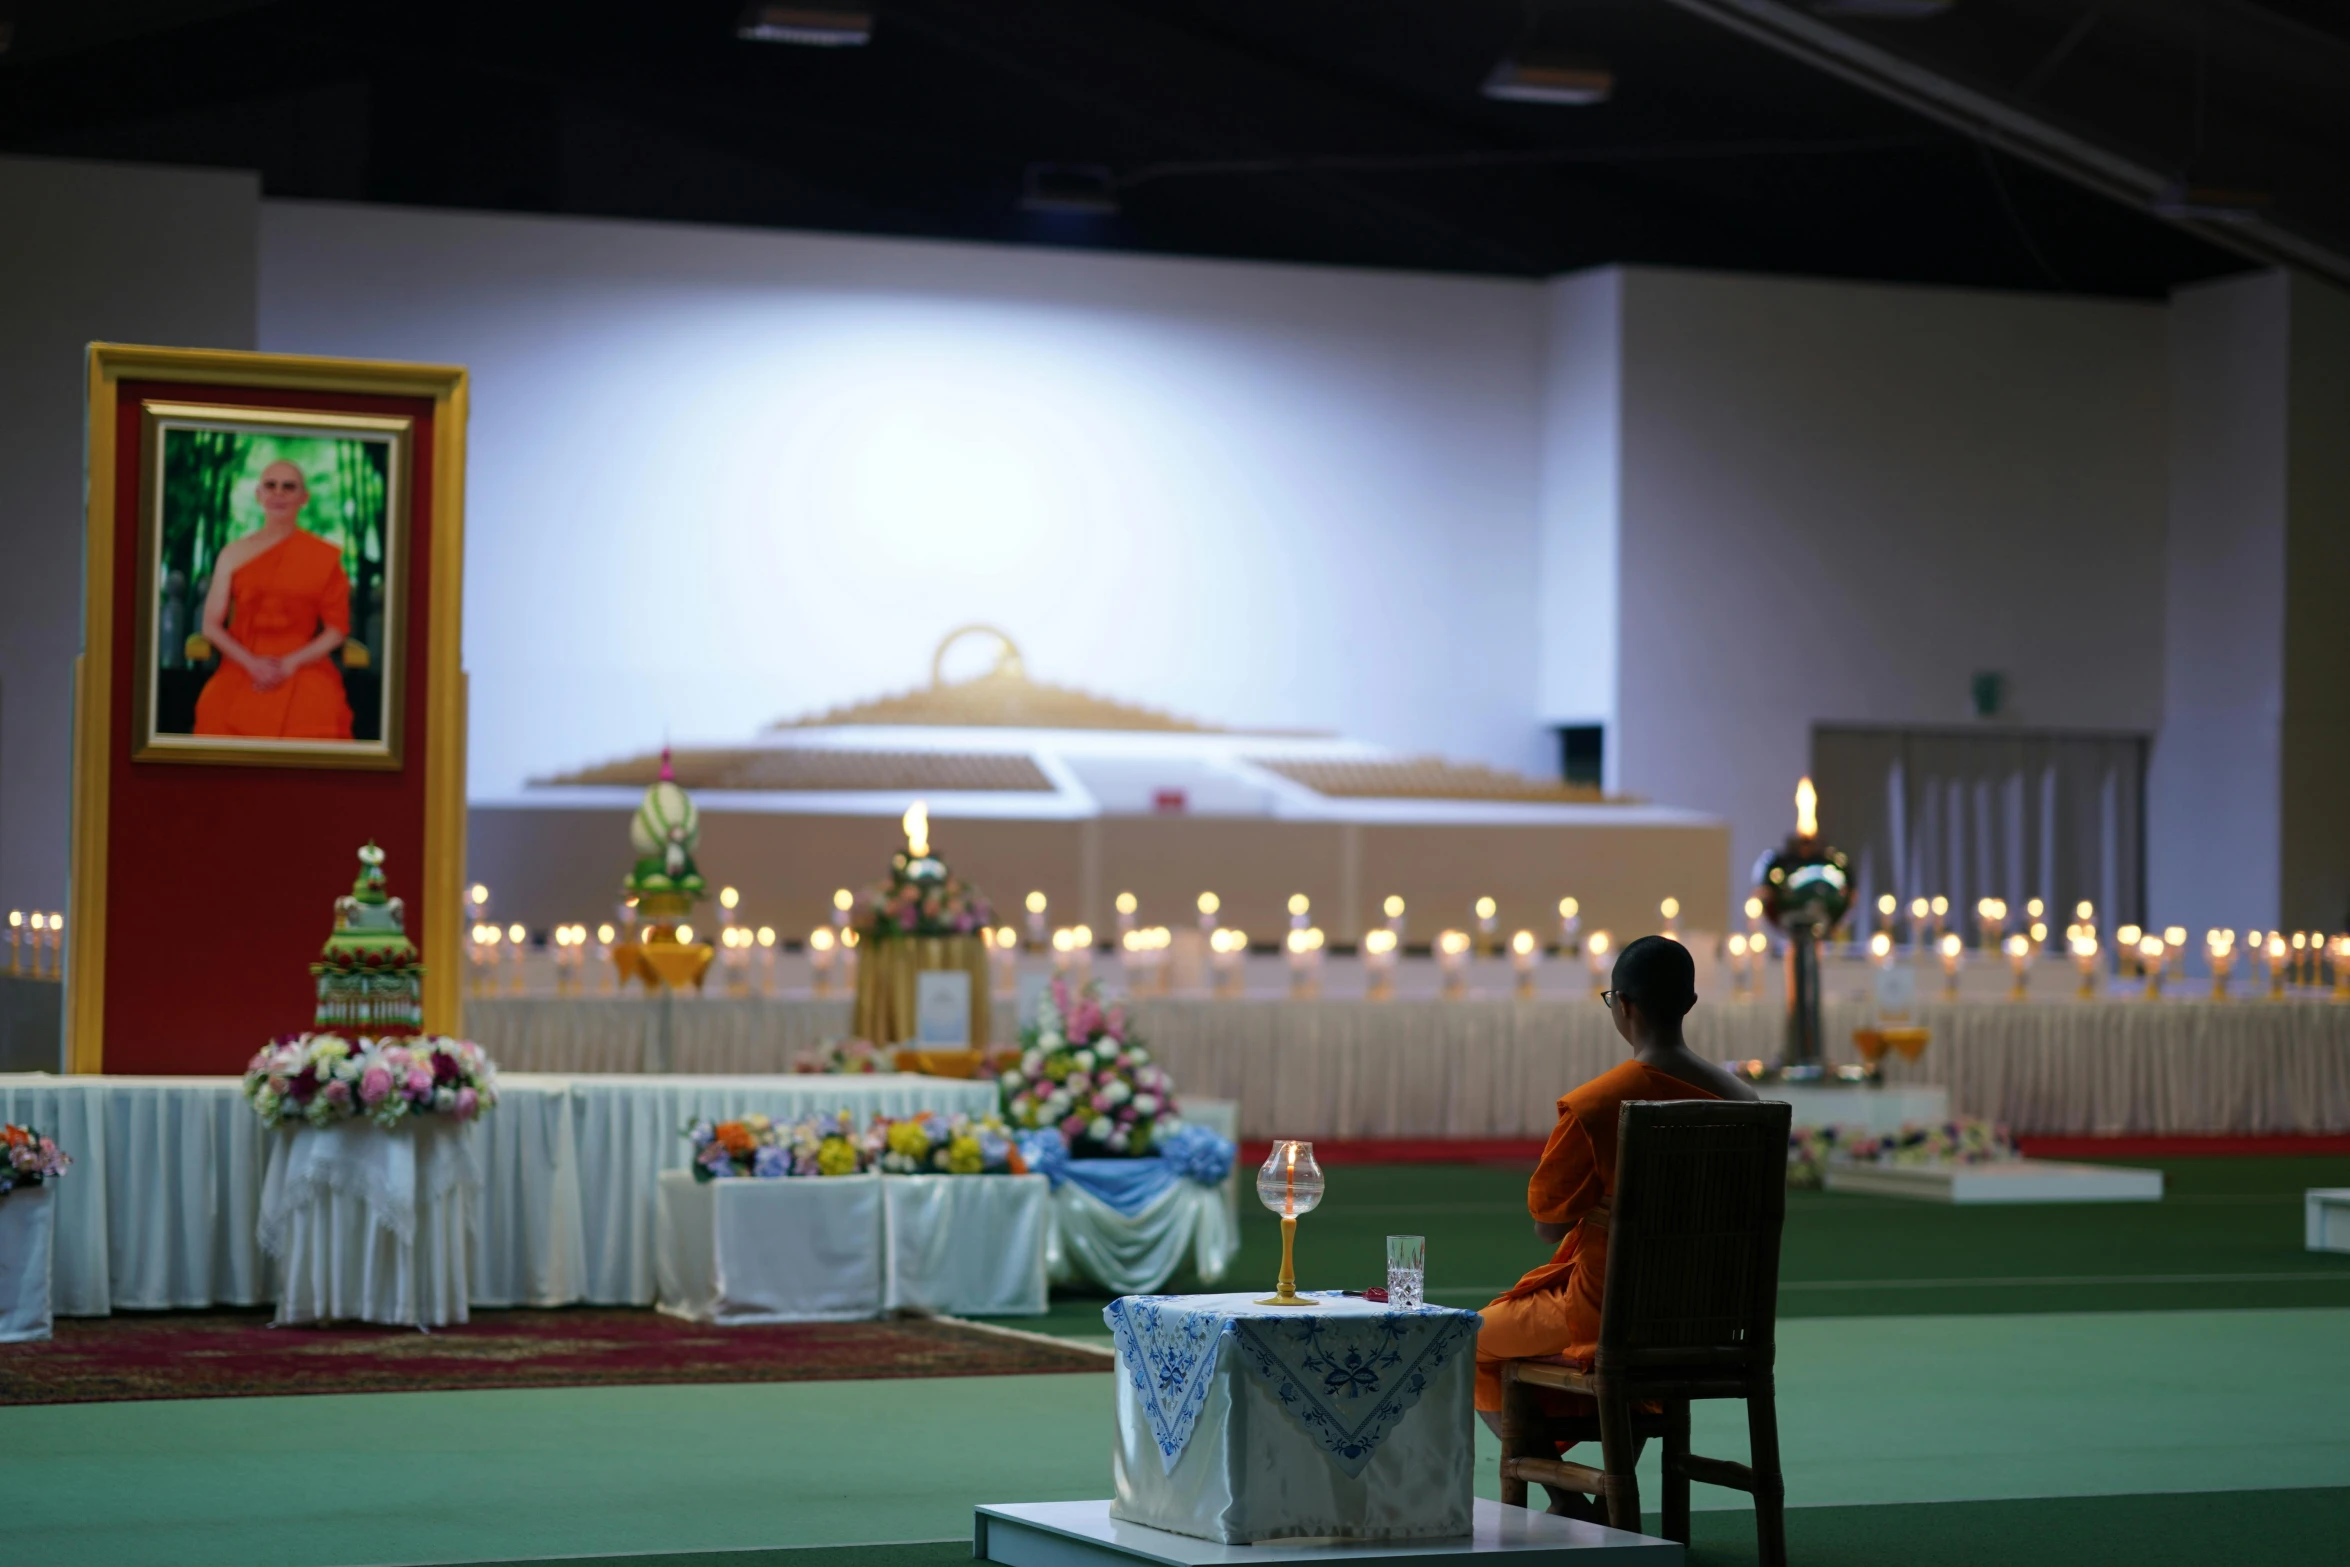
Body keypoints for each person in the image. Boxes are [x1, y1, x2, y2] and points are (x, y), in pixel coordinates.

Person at [1472, 934, 1759, 1515]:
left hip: (1609, 1314)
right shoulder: (1746, 1104)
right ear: (1690, 1002)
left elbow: (1549, 1227)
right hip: (1706, 1317)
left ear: (1622, 1005)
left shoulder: (1600, 1106)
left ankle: (1571, 1498)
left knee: (1463, 1344)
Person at [192, 459, 353, 740]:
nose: (278, 493)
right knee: (214, 706)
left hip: (304, 665)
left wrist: (290, 663)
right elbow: (210, 625)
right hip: (242, 664)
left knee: (320, 709)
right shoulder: (232, 555)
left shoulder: (323, 557)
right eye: (271, 485)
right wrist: (251, 664)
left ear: (304, 499)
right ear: (259, 495)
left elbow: (337, 629)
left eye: (288, 487)